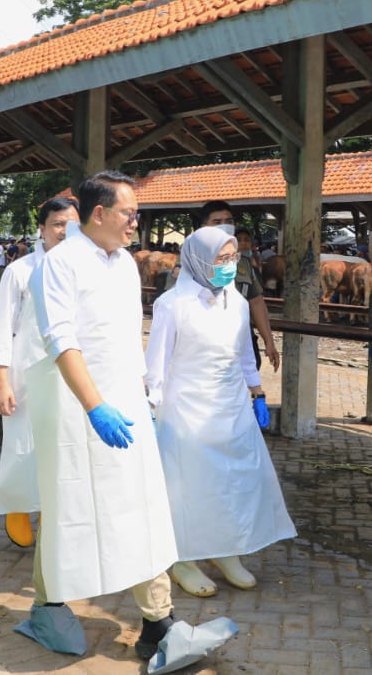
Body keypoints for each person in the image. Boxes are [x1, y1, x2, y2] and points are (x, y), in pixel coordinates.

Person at [23, 171, 178, 659]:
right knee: (68, 508)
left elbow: (127, 339)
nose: (136, 222)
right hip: (77, 410)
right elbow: (60, 340)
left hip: (125, 407)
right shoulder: (60, 263)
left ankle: (158, 620)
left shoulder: (126, 264)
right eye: (129, 213)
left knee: (141, 506)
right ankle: (48, 605)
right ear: (99, 213)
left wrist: (142, 398)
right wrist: (94, 407)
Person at [145, 226, 296, 599]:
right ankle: (183, 558)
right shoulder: (172, 305)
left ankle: (226, 549)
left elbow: (244, 353)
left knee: (234, 481)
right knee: (190, 486)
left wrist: (257, 391)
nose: (229, 265)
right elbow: (157, 363)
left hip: (231, 406)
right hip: (187, 409)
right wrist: (151, 406)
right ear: (198, 260)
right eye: (221, 259)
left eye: (233, 258)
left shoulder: (238, 303)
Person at [0, 197, 80, 549]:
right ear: (42, 228)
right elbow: (1, 329)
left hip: (70, 372)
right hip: (27, 372)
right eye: (58, 224)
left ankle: (54, 517)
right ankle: (19, 506)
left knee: (65, 446)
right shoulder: (20, 271)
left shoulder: (84, 270)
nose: (65, 231)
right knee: (24, 444)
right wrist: (0, 382)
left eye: (72, 224)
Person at [194, 201, 280, 372]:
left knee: (248, 377)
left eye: (229, 221)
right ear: (203, 228)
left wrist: (269, 341)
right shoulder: (191, 262)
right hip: (204, 341)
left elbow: (256, 302)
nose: (224, 226)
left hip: (242, 338)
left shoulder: (244, 264)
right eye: (217, 222)